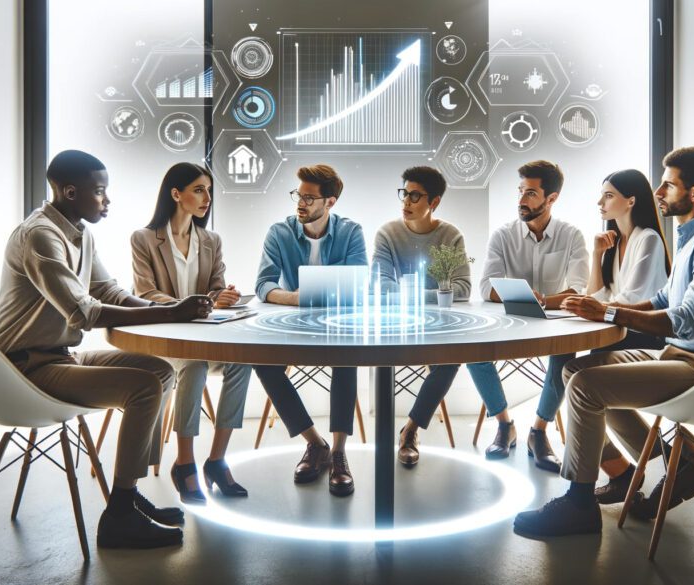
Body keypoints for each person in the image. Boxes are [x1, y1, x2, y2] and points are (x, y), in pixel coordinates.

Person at [514, 146, 694, 539]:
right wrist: (601, 307)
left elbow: (687, 319)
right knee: (576, 370)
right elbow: (663, 300)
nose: (658, 192)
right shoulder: (693, 237)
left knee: (586, 388)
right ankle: (676, 468)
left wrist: (608, 313)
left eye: (668, 184)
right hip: (682, 354)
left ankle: (579, 503)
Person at [0, 150, 213, 549]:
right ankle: (120, 516)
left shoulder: (80, 231)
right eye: (100, 192)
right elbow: (85, 312)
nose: (107, 200)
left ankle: (125, 496)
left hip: (59, 356)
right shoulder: (40, 235)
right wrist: (168, 315)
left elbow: (108, 291)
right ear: (69, 191)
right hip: (24, 370)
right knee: (143, 388)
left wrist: (166, 309)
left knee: (160, 371)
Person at [131, 162, 252, 503]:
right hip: (166, 342)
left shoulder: (211, 240)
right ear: (176, 194)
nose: (206, 198)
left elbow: (214, 290)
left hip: (203, 339)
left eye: (209, 191)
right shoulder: (144, 239)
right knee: (194, 365)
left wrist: (222, 296)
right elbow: (144, 294)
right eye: (199, 190)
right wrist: (192, 304)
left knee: (243, 362)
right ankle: (185, 463)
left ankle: (217, 460)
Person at [466, 161, 589, 472]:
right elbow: (485, 288)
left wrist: (545, 300)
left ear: (552, 198)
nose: (521, 200)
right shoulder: (503, 235)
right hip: (510, 323)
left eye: (531, 193)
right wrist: (518, 295)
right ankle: (505, 424)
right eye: (520, 191)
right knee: (473, 352)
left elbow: (579, 291)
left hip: (553, 323)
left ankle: (539, 430)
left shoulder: (571, 236)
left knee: (566, 358)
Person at [252, 164, 367, 497]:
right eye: (298, 195)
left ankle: (340, 452)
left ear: (329, 202)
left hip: (340, 323)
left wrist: (319, 294)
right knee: (263, 362)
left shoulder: (350, 232)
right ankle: (315, 444)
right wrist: (295, 299)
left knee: (347, 357)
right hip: (294, 323)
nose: (300, 203)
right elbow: (263, 285)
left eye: (309, 198)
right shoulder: (279, 233)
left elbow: (359, 279)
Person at [583, 169, 672, 502]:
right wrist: (596, 255)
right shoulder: (616, 241)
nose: (600, 202)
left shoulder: (647, 238)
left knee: (578, 378)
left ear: (630, 200)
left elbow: (632, 301)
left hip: (646, 339)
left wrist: (595, 306)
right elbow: (598, 295)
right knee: (573, 374)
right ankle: (638, 464)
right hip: (622, 334)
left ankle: (627, 470)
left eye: (608, 195)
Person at [371, 166, 469, 468]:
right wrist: (438, 294)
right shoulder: (387, 233)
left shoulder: (450, 235)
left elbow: (463, 289)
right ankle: (389, 431)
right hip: (394, 324)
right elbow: (381, 288)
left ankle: (410, 429)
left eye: (415, 195)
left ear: (434, 202)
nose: (407, 202)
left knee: (454, 355)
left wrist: (407, 294)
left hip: (438, 326)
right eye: (404, 193)